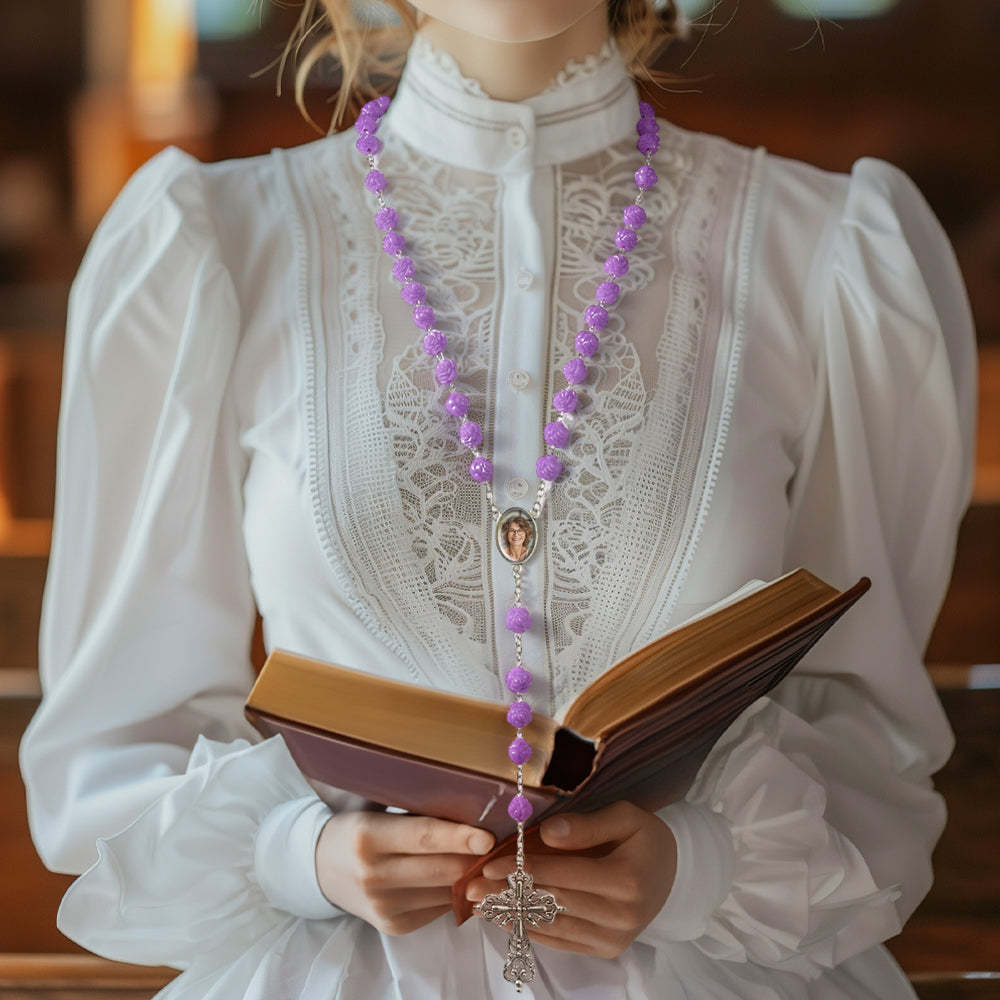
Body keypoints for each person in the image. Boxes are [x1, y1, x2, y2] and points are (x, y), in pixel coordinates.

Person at [19, 0, 977, 997]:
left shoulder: (828, 253)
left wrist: (701, 866)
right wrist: (297, 853)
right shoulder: (214, 247)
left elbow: (869, 735)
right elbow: (117, 739)